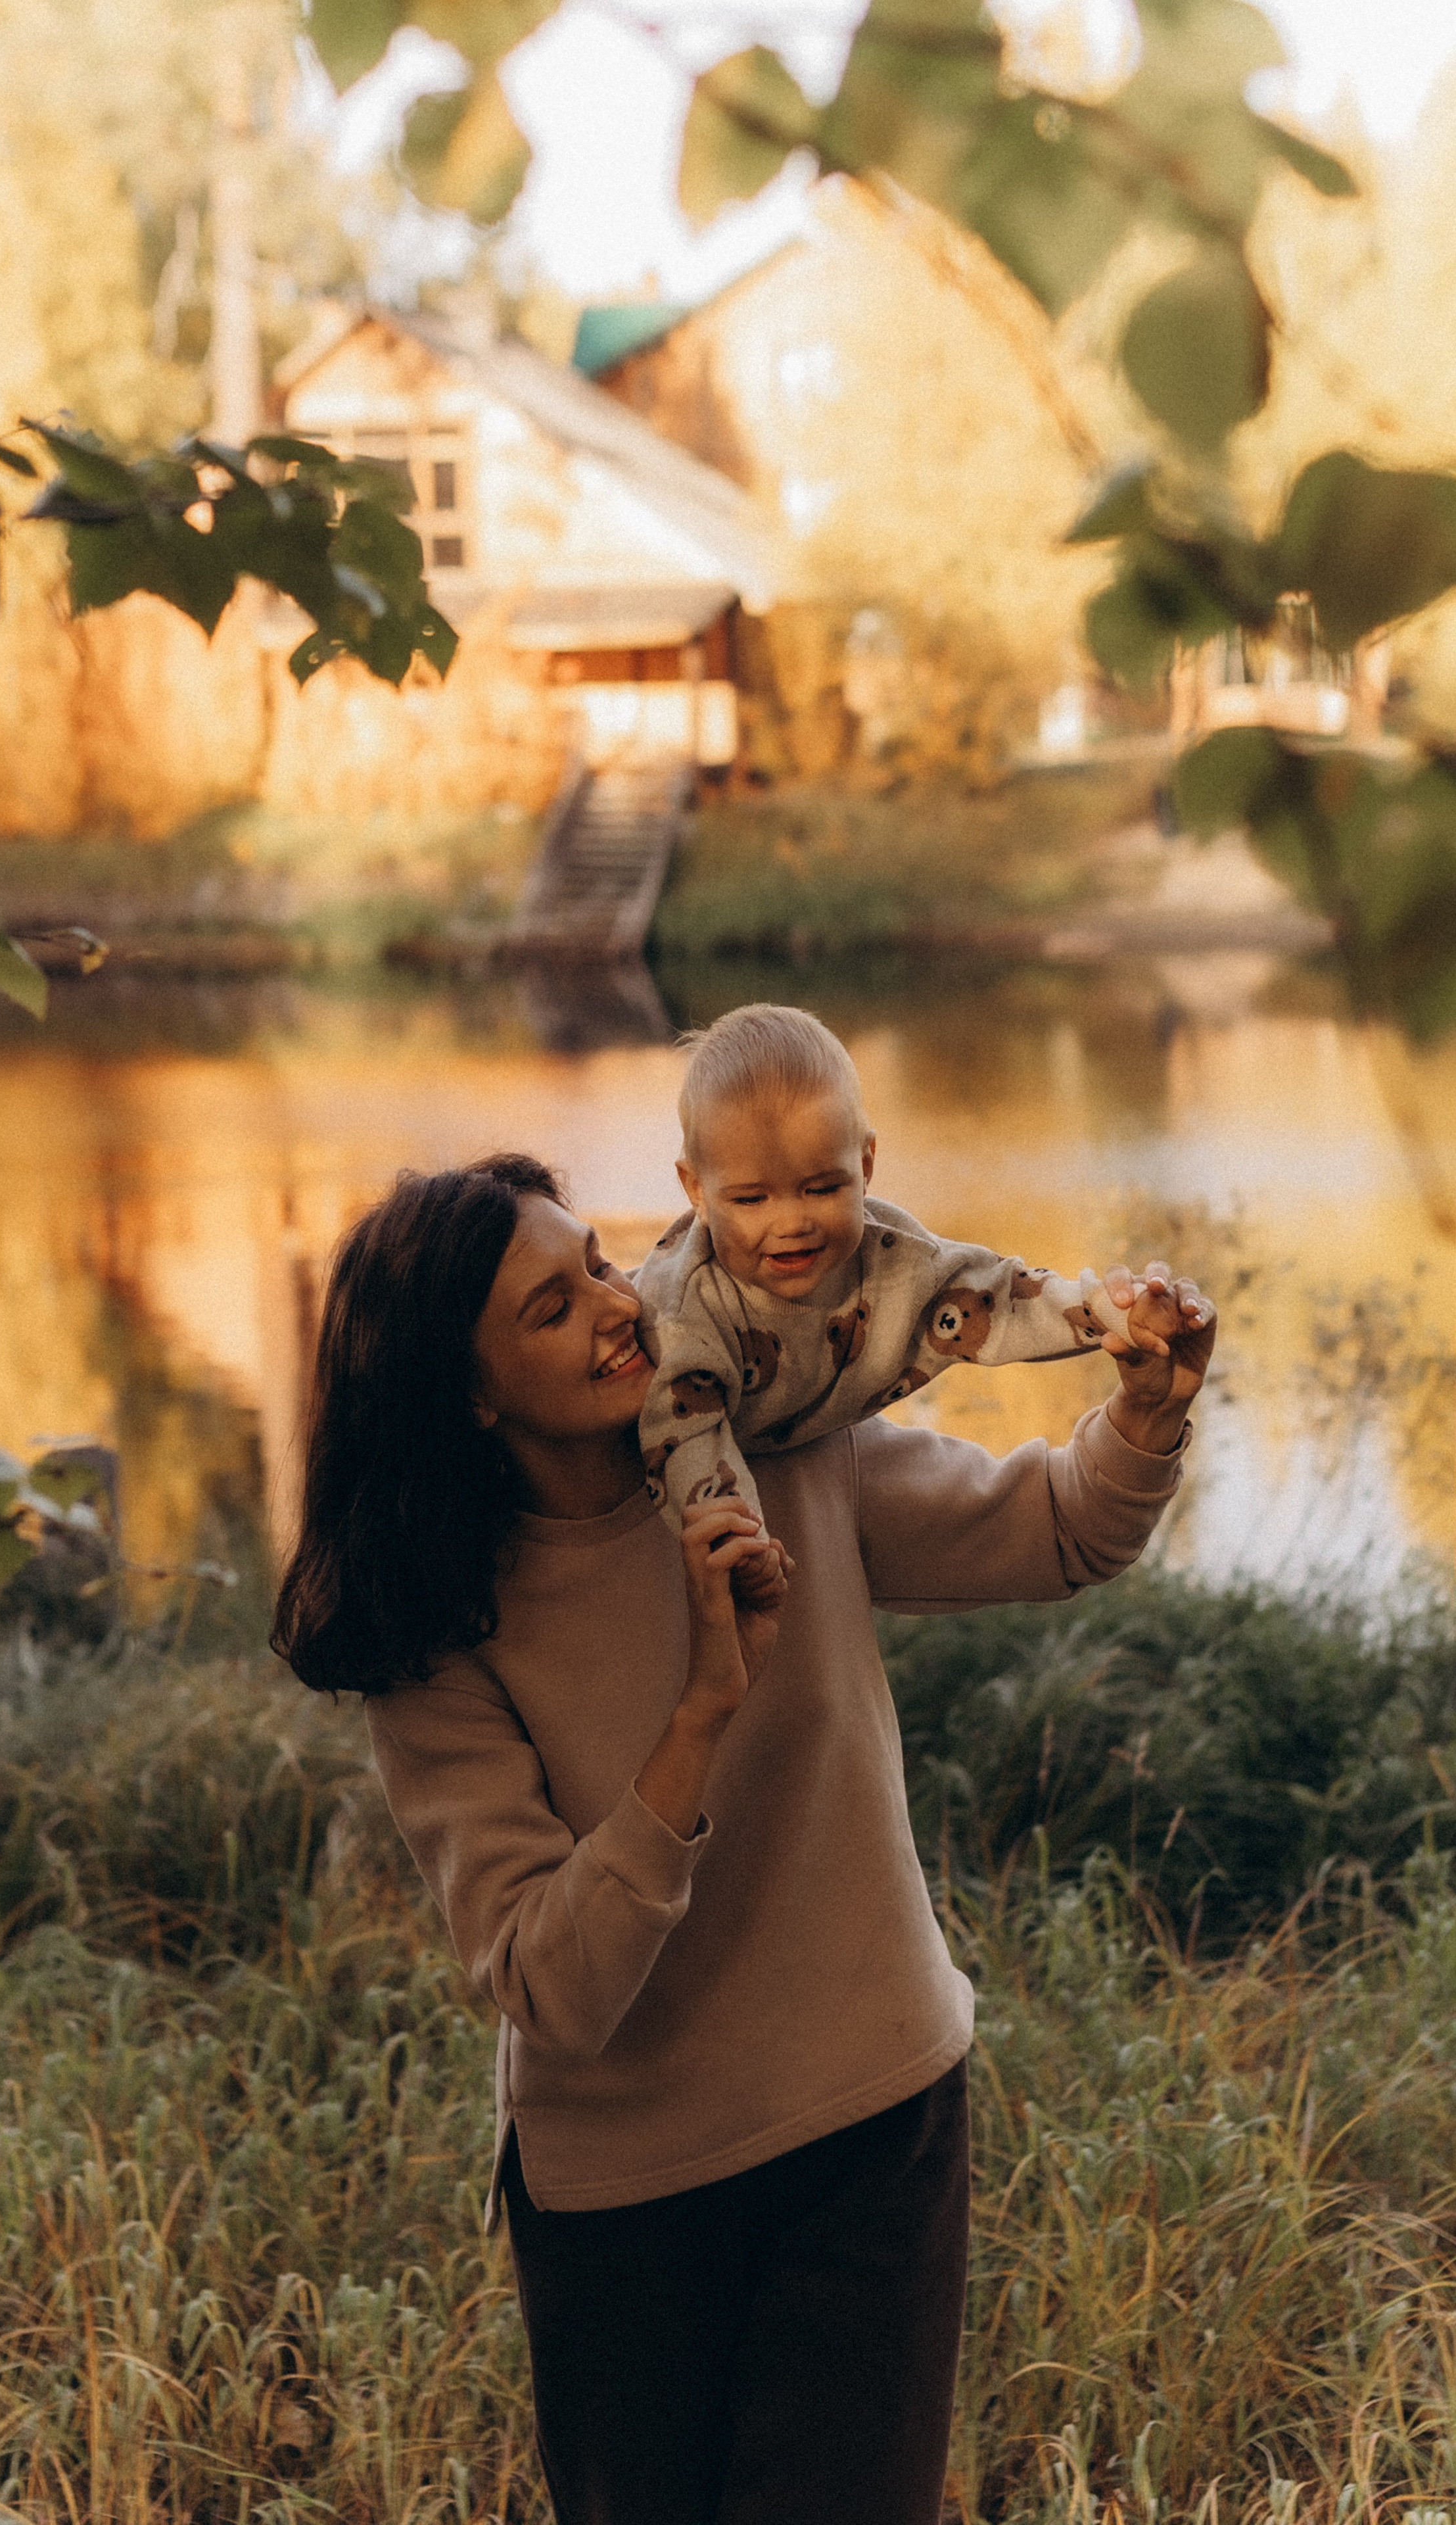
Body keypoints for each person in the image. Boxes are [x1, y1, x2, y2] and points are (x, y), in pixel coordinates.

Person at [272, 1152, 1215, 2525]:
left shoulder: (778, 1445)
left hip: (869, 2131)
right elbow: (551, 1987)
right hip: (623, 2203)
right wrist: (702, 1709)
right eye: (552, 1308)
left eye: (596, 1261)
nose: (615, 1304)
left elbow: (1055, 1532)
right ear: (468, 1394)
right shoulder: (433, 1634)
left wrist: (1145, 1411)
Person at [638, 1003, 1208, 1555]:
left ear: (865, 1166)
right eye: (751, 1198)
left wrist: (1115, 1313)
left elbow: (1003, 1301)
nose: (792, 1223)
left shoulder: (894, 1261)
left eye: (822, 1188)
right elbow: (684, 1440)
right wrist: (742, 1545)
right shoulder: (681, 1309)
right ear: (696, 1191)